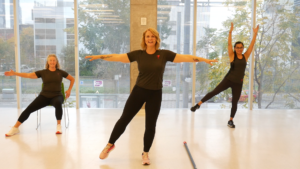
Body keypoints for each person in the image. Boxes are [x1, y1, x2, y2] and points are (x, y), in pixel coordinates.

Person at [85, 28, 217, 165]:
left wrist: (203, 59)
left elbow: (185, 57)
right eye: (148, 36)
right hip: (139, 91)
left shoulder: (164, 54)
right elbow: (117, 57)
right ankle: (109, 145)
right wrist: (99, 56)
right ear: (144, 39)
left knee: (150, 125)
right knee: (124, 119)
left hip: (155, 93)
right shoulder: (139, 54)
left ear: (156, 39)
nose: (150, 38)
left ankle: (145, 153)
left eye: (153, 36)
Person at [190, 23, 259, 128]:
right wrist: (230, 32)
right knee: (214, 92)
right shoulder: (232, 55)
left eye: (241, 47)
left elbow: (252, 45)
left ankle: (230, 120)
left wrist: (255, 34)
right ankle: (198, 104)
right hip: (229, 79)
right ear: (235, 48)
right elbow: (229, 44)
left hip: (238, 83)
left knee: (235, 102)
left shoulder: (245, 56)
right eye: (238, 47)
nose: (240, 49)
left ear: (243, 48)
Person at [5, 54, 75, 136]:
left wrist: (69, 90)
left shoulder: (60, 72)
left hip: (57, 96)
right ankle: (15, 128)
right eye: (50, 60)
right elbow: (28, 75)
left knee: (58, 103)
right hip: (44, 96)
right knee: (29, 109)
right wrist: (15, 73)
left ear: (56, 62)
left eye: (54, 60)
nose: (52, 62)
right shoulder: (43, 72)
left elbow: (72, 79)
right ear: (48, 62)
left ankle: (58, 126)